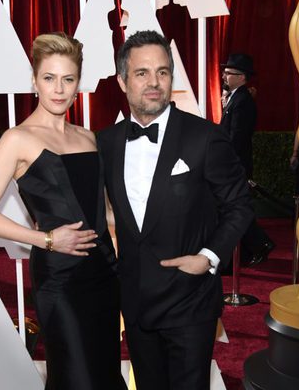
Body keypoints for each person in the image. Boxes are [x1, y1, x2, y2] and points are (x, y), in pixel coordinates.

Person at [0, 32, 127, 390]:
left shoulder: (88, 137)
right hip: (60, 278)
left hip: (104, 273)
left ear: (77, 84)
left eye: (68, 79)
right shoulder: (16, 138)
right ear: (34, 81)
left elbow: (103, 211)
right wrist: (46, 239)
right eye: (49, 78)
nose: (59, 89)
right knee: (75, 377)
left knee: (104, 373)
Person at [97, 30, 253, 390]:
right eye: (142, 73)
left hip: (190, 300)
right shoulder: (105, 143)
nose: (154, 83)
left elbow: (239, 206)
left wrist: (208, 257)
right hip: (136, 303)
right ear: (122, 81)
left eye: (163, 72)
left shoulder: (205, 137)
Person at [220, 53, 275, 266]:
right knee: (235, 209)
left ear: (241, 77)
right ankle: (248, 250)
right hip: (234, 165)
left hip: (236, 166)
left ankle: (260, 243)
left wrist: (222, 159)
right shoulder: (236, 98)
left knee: (236, 209)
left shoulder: (242, 101)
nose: (224, 76)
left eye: (228, 73)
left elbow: (236, 138)